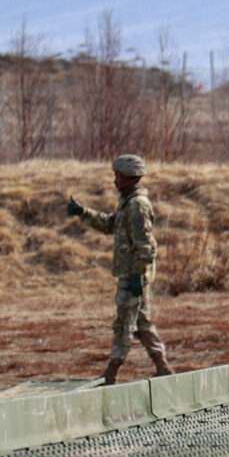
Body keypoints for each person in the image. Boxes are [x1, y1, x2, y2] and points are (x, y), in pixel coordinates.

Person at [67, 154, 173, 385]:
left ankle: (111, 372)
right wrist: (84, 213)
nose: (115, 181)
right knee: (143, 323)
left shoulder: (137, 206)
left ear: (129, 177)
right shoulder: (128, 203)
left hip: (133, 277)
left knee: (125, 323)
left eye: (118, 176)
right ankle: (163, 367)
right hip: (131, 275)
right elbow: (110, 224)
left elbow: (147, 246)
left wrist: (138, 275)